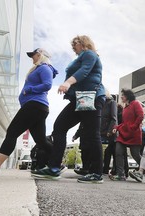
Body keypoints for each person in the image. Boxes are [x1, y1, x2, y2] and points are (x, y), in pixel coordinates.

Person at [0, 48, 58, 176]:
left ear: (40, 55)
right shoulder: (40, 68)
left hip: (34, 105)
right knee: (41, 140)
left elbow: (47, 85)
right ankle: (57, 163)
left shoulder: (45, 68)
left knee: (12, 133)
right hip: (37, 107)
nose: (32, 58)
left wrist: (29, 90)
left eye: (33, 55)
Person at [31, 35, 105, 183]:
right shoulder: (80, 57)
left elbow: (84, 71)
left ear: (82, 43)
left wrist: (68, 82)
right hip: (79, 99)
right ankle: (53, 168)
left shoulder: (89, 54)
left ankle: (96, 173)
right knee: (59, 127)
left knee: (92, 134)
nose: (73, 48)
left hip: (91, 97)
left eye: (75, 45)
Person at [109, 89, 145, 181]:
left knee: (135, 155)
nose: (121, 97)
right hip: (123, 134)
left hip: (134, 134)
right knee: (118, 152)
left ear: (128, 96)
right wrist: (116, 127)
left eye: (123, 95)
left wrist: (133, 127)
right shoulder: (125, 107)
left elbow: (141, 116)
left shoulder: (136, 103)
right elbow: (125, 123)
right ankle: (121, 175)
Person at [101, 90, 118, 175]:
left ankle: (115, 170)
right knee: (107, 152)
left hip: (110, 131)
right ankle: (104, 169)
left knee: (114, 152)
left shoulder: (112, 102)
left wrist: (110, 130)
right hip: (102, 130)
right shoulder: (102, 103)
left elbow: (114, 118)